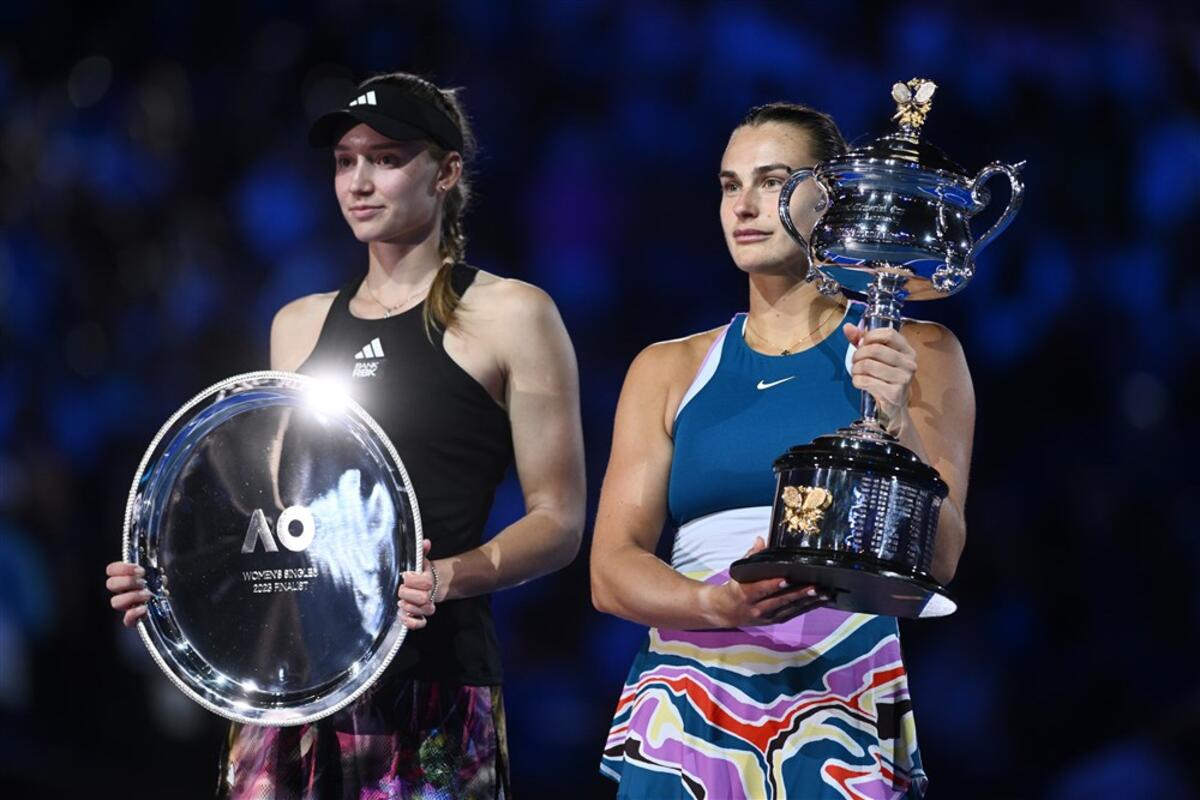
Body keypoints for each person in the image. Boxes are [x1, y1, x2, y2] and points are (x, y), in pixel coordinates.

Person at [105, 71, 586, 798]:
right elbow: (274, 518)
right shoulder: (296, 324)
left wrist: (449, 576)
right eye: (344, 161)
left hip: (432, 681)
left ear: (446, 172)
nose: (359, 182)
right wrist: (172, 580)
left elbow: (559, 519)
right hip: (288, 688)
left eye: (386, 159)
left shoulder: (514, 315)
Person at [590, 102, 974, 799]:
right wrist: (717, 605)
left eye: (772, 181)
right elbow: (610, 571)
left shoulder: (917, 349)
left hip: (841, 711)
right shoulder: (667, 368)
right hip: (687, 711)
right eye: (729, 185)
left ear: (830, 197)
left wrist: (898, 420)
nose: (744, 205)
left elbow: (941, 557)